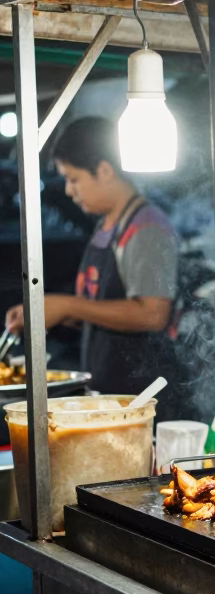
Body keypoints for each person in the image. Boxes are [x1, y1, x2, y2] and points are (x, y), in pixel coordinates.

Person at [6, 116, 180, 412]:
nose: (69, 191)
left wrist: (68, 306)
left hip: (143, 399)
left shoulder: (146, 228)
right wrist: (47, 312)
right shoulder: (107, 226)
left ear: (104, 170)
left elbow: (153, 313)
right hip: (109, 394)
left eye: (73, 179)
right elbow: (101, 310)